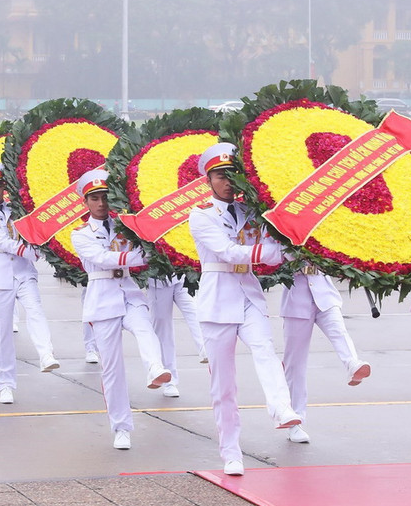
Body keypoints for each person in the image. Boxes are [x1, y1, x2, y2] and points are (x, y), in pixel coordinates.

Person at [188, 143, 301, 476]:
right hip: (217, 301)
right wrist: (267, 251)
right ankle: (231, 452)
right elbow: (228, 252)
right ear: (207, 180)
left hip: (249, 295)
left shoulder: (253, 212)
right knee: (223, 385)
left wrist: (280, 248)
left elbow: (280, 250)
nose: (226, 181)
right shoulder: (201, 215)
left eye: (231, 175)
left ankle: (282, 409)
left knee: (265, 349)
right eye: (220, 176)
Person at [70, 170, 172, 450]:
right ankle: (121, 427)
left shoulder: (125, 226)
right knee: (112, 369)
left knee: (145, 328)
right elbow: (102, 259)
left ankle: (155, 368)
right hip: (102, 298)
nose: (101, 203)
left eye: (105, 197)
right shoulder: (80, 233)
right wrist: (140, 257)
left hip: (128, 290)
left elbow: (148, 245)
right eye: (94, 198)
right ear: (85, 202)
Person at [0, 162, 60, 404]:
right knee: (1, 333)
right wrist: (30, 251)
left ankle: (46, 354)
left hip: (24, 272)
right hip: (0, 273)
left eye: (0, 185)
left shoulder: (17, 209)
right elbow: (2, 241)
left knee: (35, 311)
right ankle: (5, 384)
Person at [281, 266, 371, 443]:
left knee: (339, 331)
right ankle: (294, 421)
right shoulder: (282, 237)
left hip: (324, 293)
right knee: (295, 364)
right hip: (296, 298)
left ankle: (353, 364)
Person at [148, 275, 208, 398]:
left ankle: (206, 349)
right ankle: (169, 381)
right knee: (163, 330)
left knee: (194, 311)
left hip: (180, 275)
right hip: (158, 280)